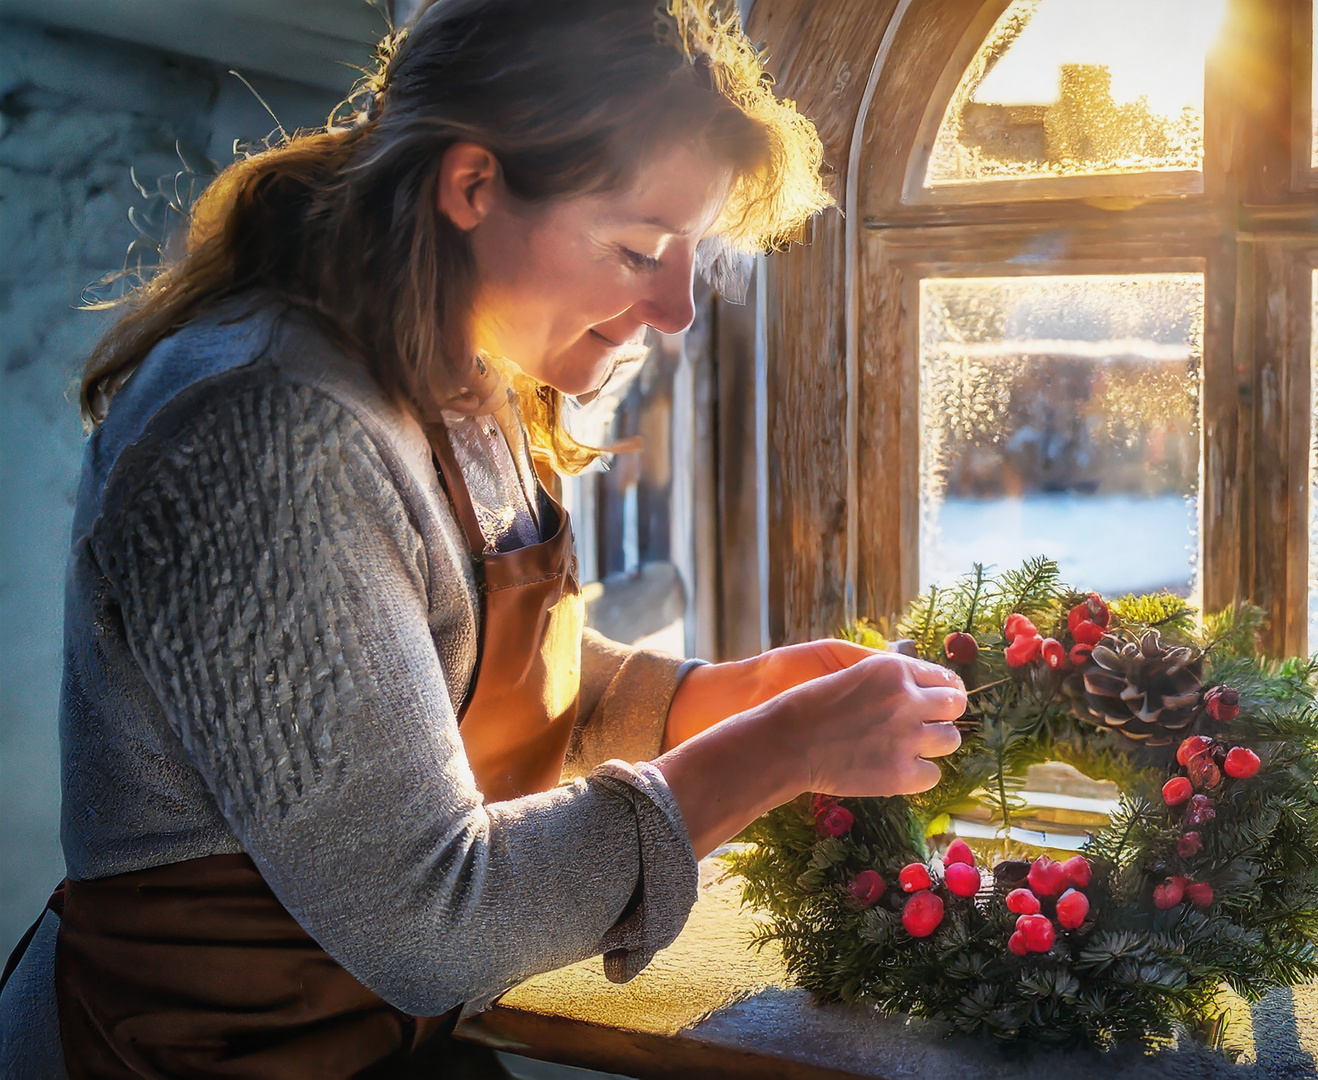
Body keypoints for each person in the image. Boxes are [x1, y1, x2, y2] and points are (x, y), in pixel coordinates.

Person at [0, 1, 966, 1075]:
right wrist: (785, 750)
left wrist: (719, 698)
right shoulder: (264, 429)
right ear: (472, 185)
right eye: (640, 247)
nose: (678, 308)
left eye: (690, 255)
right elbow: (431, 924)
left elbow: (440, 675)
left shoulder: (456, 376)